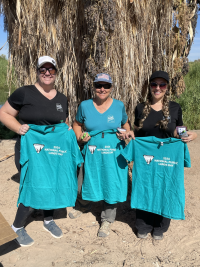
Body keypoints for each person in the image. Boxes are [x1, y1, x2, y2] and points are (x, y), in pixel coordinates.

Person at [0, 56, 70, 247]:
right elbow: (4, 113)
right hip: (29, 150)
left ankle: (48, 220)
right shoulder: (24, 93)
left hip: (52, 152)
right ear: (37, 72)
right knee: (32, 185)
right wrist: (17, 128)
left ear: (56, 72)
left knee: (52, 182)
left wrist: (67, 129)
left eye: (51, 70)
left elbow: (59, 124)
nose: (47, 73)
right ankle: (17, 226)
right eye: (43, 70)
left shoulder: (62, 98)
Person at [124, 70, 197, 240]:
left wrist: (192, 135)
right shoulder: (140, 107)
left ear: (167, 87)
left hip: (166, 157)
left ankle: (160, 226)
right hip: (146, 159)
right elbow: (137, 131)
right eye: (154, 84)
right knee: (144, 187)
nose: (158, 88)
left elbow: (180, 130)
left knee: (166, 187)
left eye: (162, 84)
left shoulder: (175, 107)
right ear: (149, 86)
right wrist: (132, 135)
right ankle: (143, 224)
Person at [69, 73, 130, 237]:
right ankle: (83, 206)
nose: (102, 89)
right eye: (98, 85)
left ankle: (107, 220)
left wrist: (126, 133)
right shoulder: (85, 105)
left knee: (111, 182)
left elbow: (125, 124)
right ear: (93, 87)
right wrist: (80, 136)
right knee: (83, 180)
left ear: (111, 88)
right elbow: (76, 124)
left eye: (106, 86)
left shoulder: (118, 106)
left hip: (114, 151)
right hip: (91, 150)